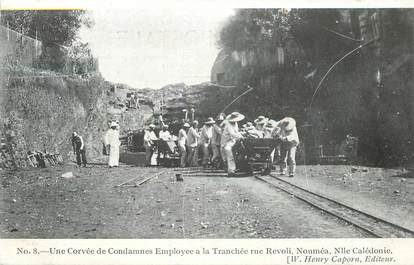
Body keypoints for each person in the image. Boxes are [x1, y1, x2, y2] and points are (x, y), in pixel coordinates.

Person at [221, 112, 245, 176]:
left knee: (234, 155)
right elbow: (232, 133)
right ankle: (231, 171)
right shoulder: (228, 125)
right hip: (226, 143)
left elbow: (237, 132)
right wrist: (240, 137)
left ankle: (234, 168)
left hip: (232, 141)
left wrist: (242, 135)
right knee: (230, 156)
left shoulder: (235, 123)